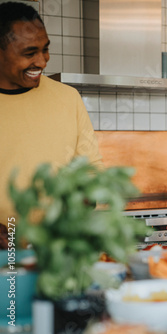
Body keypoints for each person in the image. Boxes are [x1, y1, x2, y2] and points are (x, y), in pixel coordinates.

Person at [0, 2, 102, 227]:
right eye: (29, 53)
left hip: (58, 251)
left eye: (45, 49)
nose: (42, 61)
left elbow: (91, 169)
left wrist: (83, 202)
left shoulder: (68, 98)